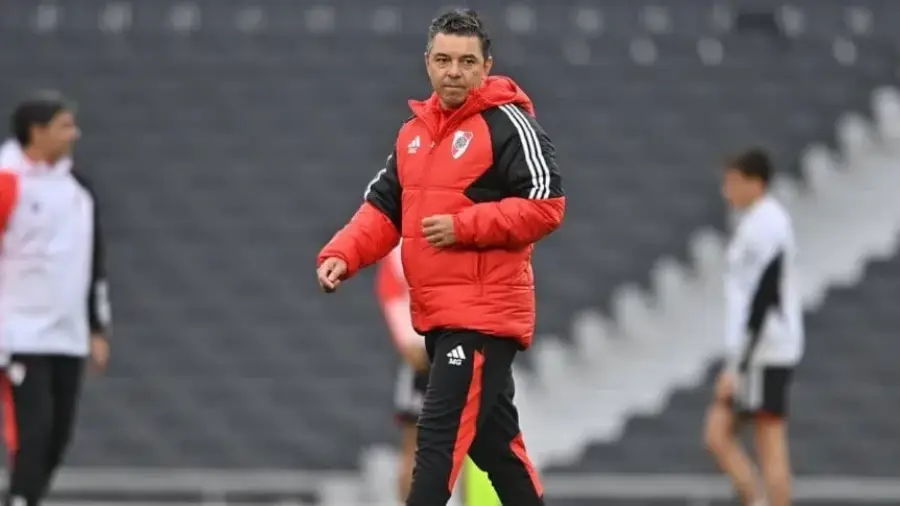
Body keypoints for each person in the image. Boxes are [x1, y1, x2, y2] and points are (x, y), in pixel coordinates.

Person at [316, 8, 564, 505]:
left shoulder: (509, 122)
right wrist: (343, 252)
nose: (455, 71)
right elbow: (383, 208)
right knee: (498, 453)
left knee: (436, 440)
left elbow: (546, 205)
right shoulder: (414, 133)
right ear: (428, 62)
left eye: (467, 61)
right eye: (444, 59)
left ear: (486, 65)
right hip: (442, 317)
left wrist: (462, 225)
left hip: (482, 316)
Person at [0, 93, 112, 506]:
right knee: (32, 433)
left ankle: (24, 499)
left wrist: (97, 327)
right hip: (19, 334)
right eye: (65, 126)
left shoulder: (77, 188)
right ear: (38, 131)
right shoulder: (7, 180)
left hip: (66, 333)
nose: (74, 134)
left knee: (58, 437)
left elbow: (93, 261)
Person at [704, 149, 803, 506]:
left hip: (765, 351)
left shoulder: (767, 225)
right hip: (759, 350)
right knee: (721, 433)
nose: (726, 190)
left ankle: (763, 500)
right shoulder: (755, 222)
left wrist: (738, 365)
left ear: (754, 182)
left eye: (732, 182)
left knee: (768, 443)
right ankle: (757, 499)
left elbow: (763, 298)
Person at [376, 244, 430, 502]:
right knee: (415, 442)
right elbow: (391, 287)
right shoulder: (405, 244)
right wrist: (408, 342)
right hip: (425, 357)